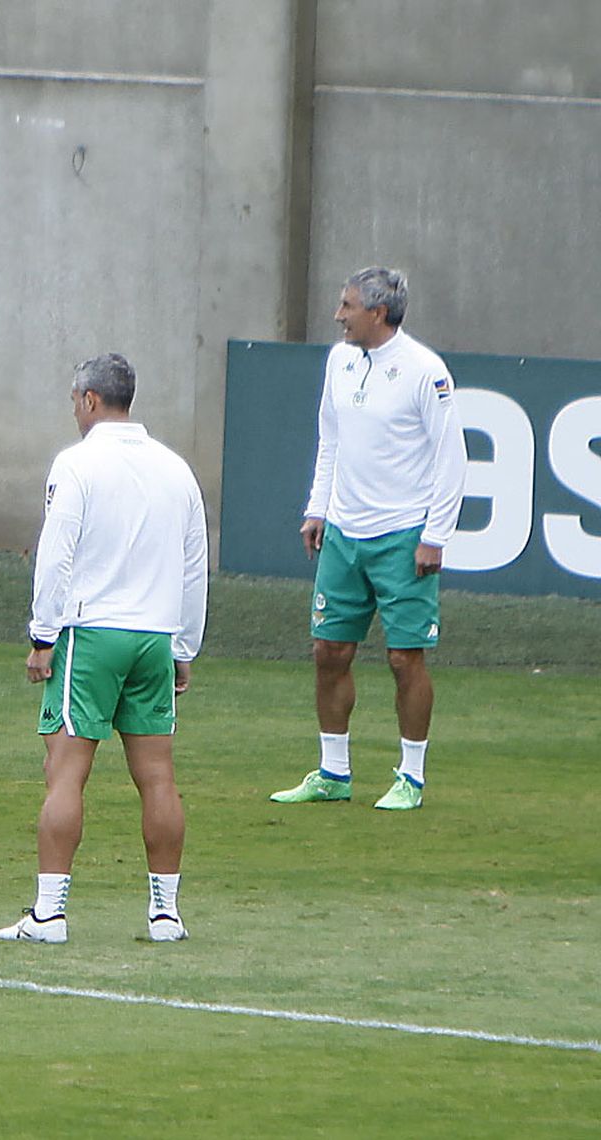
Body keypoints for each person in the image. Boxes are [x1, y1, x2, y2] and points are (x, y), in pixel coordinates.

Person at [0, 353, 207, 945]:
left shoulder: (76, 464)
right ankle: (166, 915)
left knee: (65, 773)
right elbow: (195, 565)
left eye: (73, 401)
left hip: (90, 635)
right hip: (154, 638)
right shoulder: (176, 468)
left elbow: (56, 551)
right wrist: (184, 646)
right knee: (158, 777)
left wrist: (43, 635)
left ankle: (49, 914)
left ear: (90, 400)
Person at [271, 267, 467, 811]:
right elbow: (330, 438)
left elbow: (452, 457)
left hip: (403, 536)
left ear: (377, 314)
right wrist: (318, 508)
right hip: (343, 533)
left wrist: (435, 536)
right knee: (328, 651)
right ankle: (334, 771)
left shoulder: (425, 371)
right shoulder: (339, 360)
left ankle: (412, 776)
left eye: (347, 306)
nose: (338, 315)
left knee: (406, 658)